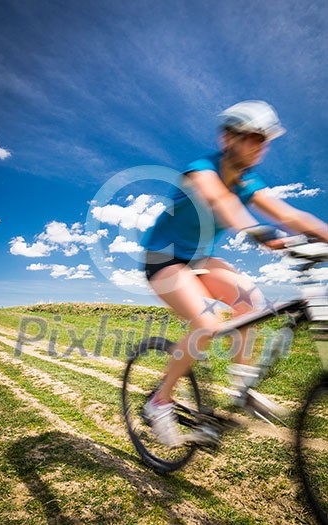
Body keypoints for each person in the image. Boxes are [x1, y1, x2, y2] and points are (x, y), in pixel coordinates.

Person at [141, 100, 328, 447]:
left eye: (265, 139)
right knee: (209, 323)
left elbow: (290, 215)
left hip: (197, 261)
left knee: (251, 303)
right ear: (228, 138)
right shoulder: (201, 169)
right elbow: (220, 202)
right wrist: (257, 230)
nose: (261, 146)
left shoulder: (248, 181)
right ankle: (159, 401)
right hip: (163, 259)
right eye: (253, 137)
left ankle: (242, 386)